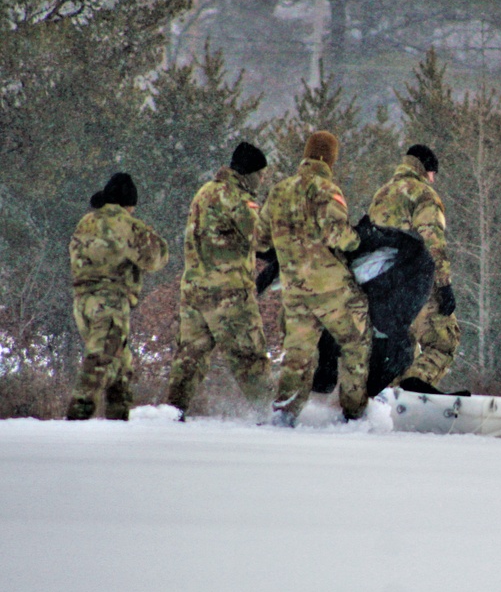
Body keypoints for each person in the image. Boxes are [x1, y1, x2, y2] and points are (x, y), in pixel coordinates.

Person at [258, 131, 371, 426]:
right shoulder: (326, 190)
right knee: (356, 342)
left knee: (297, 355)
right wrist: (358, 239)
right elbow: (340, 236)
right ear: (330, 159)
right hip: (330, 288)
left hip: (294, 289)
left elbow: (259, 241)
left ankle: (284, 413)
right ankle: (354, 413)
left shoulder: (279, 191)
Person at [166, 142, 274, 421]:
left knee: (189, 360)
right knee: (250, 358)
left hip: (193, 291)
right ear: (249, 174)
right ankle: (270, 418)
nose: (262, 180)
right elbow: (262, 239)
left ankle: (171, 415)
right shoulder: (236, 198)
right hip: (228, 294)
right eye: (260, 175)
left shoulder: (204, 192)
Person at [66, 172, 168, 420]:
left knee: (120, 368)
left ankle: (118, 424)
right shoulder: (126, 224)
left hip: (82, 302)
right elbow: (156, 258)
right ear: (128, 202)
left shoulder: (87, 221)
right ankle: (74, 421)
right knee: (99, 364)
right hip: (110, 302)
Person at [367, 144, 460, 394]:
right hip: (416, 282)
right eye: (433, 174)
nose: (433, 180)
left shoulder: (382, 194)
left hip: (382, 288)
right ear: (426, 169)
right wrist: (444, 285)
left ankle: (393, 399)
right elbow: (432, 239)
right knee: (443, 342)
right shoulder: (423, 194)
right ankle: (416, 385)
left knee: (401, 349)